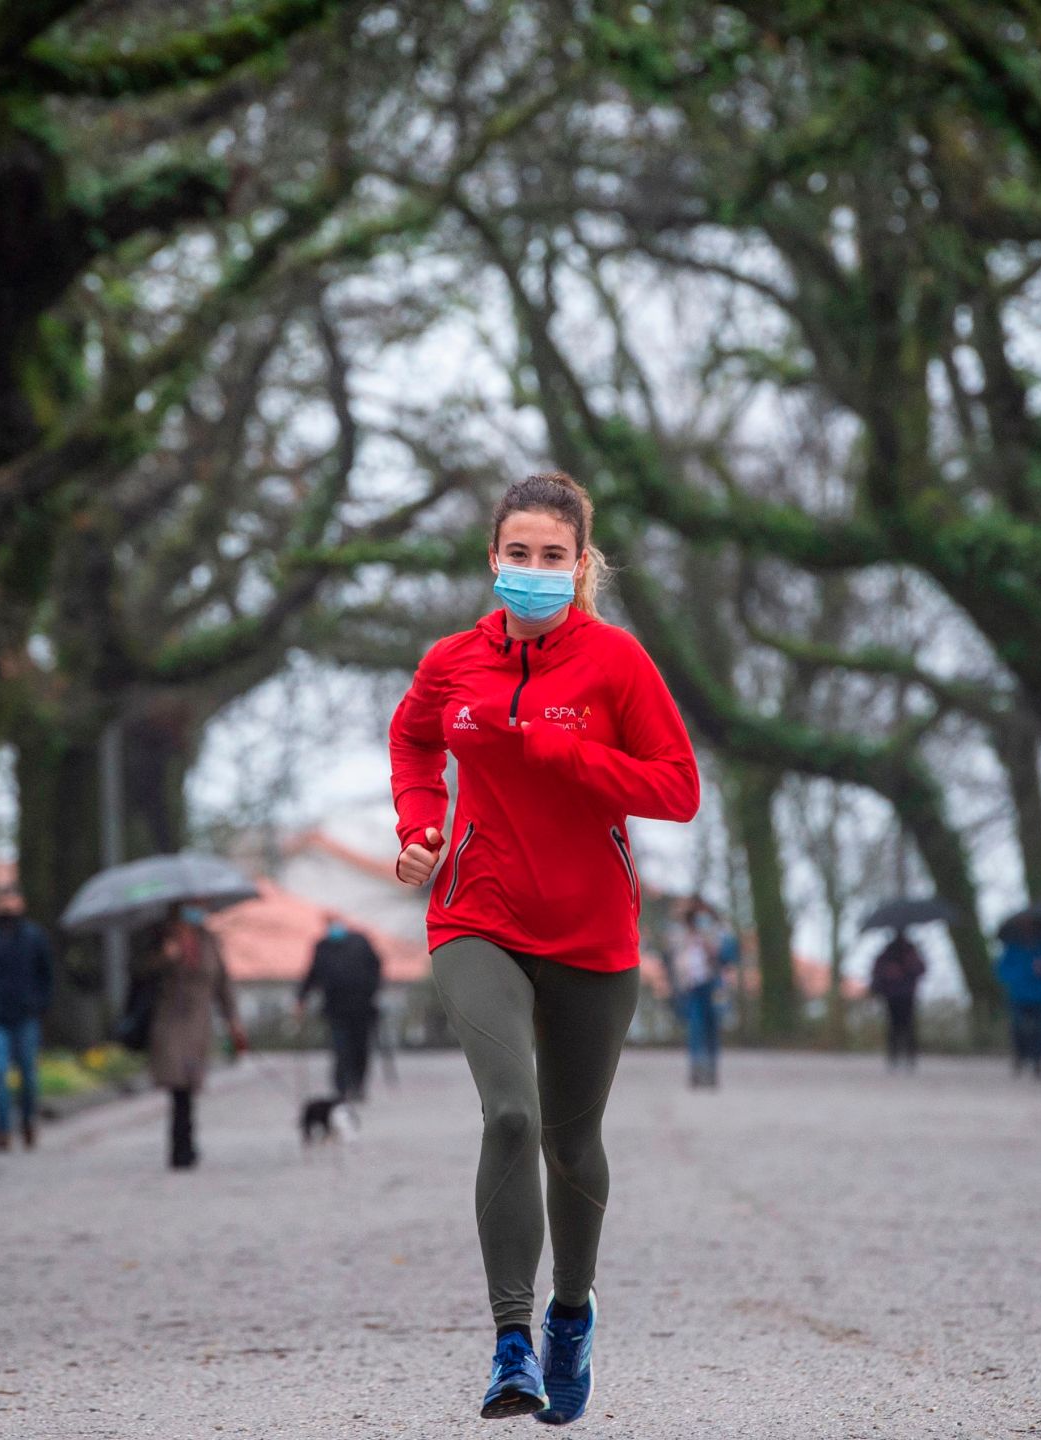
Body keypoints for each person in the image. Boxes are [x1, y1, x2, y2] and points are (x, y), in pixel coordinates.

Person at [389, 470, 700, 1424]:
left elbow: (677, 789)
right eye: (516, 554)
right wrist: (420, 826)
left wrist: (567, 754)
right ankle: (512, 1343)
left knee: (573, 1141)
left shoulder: (615, 665)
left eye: (551, 557)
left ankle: (572, 1317)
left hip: (592, 933)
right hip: (475, 915)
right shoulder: (453, 662)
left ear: (579, 565)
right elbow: (413, 742)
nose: (532, 570)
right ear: (493, 559)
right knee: (511, 1118)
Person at [146, 902, 247, 1169]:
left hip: (199, 1024)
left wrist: (232, 1018)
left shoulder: (209, 940)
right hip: (170, 1021)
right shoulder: (161, 938)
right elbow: (140, 973)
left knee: (190, 1083)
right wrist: (165, 957)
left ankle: (187, 1141)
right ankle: (181, 1146)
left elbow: (222, 982)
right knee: (177, 1083)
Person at [0, 887, 54, 1151]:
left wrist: (40, 1006)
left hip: (25, 1016)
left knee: (28, 1074)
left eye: (11, 900)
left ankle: (28, 1120)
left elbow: (46, 975)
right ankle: (2, 1129)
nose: (7, 906)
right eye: (2, 901)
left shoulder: (34, 937)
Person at [297, 917, 383, 1101]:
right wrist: (301, 997)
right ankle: (341, 1089)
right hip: (335, 1009)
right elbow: (312, 973)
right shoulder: (323, 947)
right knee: (340, 1049)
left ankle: (358, 1085)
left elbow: (376, 968)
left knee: (360, 1049)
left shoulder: (361, 943)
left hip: (362, 1008)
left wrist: (372, 991)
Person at [663, 900, 730, 1090]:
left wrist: (710, 945)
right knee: (695, 1029)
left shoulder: (716, 934)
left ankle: (711, 1074)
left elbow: (725, 957)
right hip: (691, 988)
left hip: (712, 986)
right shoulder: (681, 937)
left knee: (712, 1030)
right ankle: (697, 1073)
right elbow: (673, 959)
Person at [997, 936, 1041, 1078]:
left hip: (1040, 995)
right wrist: (1019, 976)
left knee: (1040, 1030)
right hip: (1018, 995)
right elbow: (1001, 970)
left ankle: (1038, 1062)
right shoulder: (1013, 948)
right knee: (1018, 1027)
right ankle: (1020, 1056)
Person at [868, 932, 927, 1073]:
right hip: (895, 995)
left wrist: (906, 968)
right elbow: (878, 973)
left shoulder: (909, 952)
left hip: (905, 994)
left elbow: (920, 969)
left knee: (905, 1027)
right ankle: (896, 1057)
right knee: (897, 1027)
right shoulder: (889, 953)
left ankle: (907, 1057)